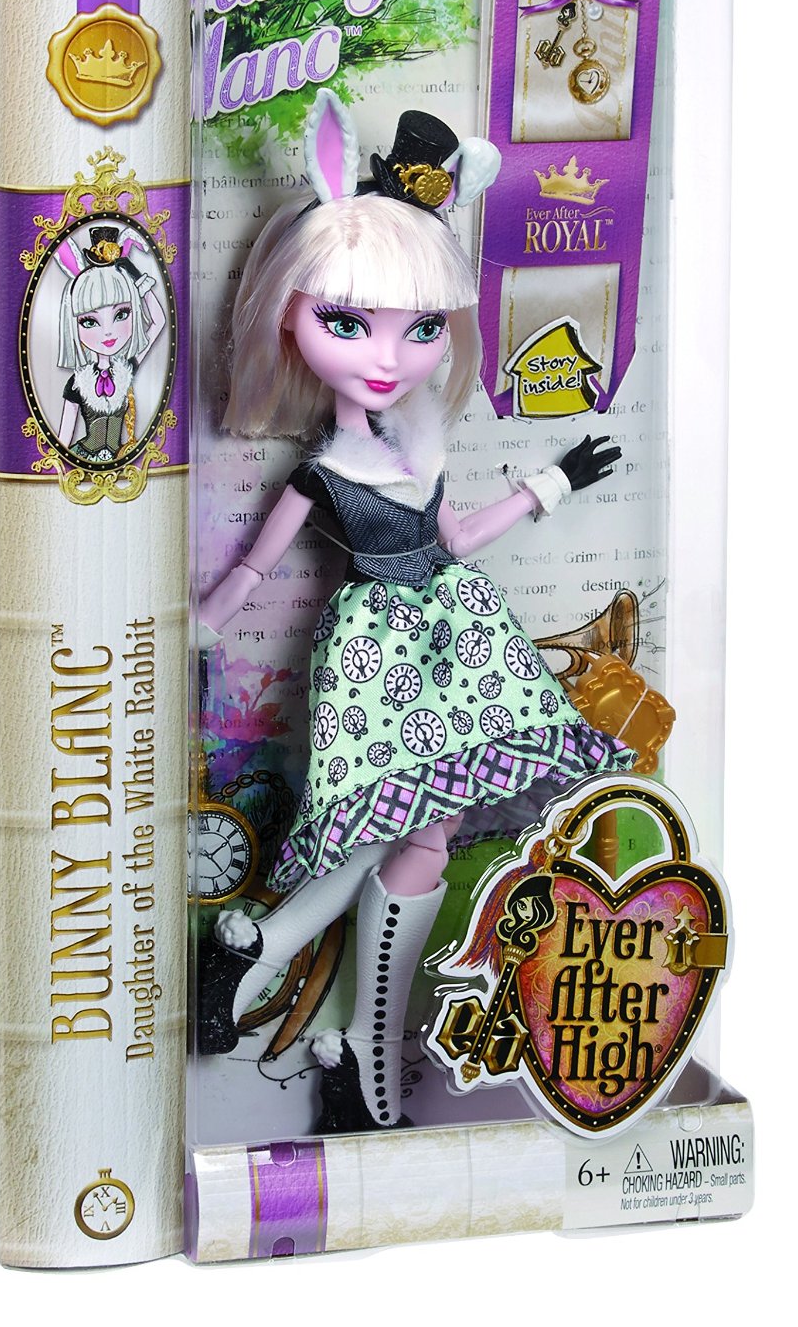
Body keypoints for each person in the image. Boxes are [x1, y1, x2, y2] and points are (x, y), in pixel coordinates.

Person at [199, 90, 633, 1132]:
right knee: (385, 826)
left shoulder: (421, 449)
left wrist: (549, 484)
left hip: (456, 640)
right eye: (348, 324)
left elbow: (453, 538)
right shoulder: (324, 470)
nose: (385, 358)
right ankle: (296, 992)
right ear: (295, 315)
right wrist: (202, 622)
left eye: (421, 328)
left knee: (417, 832)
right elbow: (255, 566)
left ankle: (304, 995)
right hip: (377, 653)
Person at [53, 225, 166, 462]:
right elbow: (63, 440)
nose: (107, 332)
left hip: (118, 458)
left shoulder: (126, 369)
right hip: (84, 457)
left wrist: (138, 279)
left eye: (121, 315)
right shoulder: (77, 383)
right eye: (90, 321)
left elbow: (158, 322)